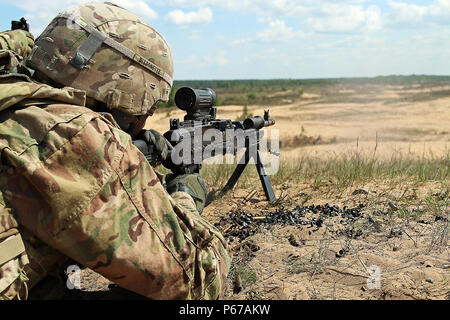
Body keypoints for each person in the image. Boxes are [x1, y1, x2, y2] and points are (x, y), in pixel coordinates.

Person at [0, 2, 231, 300]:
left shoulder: (11, 97)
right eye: (146, 109)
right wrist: (184, 197)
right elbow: (198, 277)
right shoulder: (71, 135)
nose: (141, 122)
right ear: (129, 91)